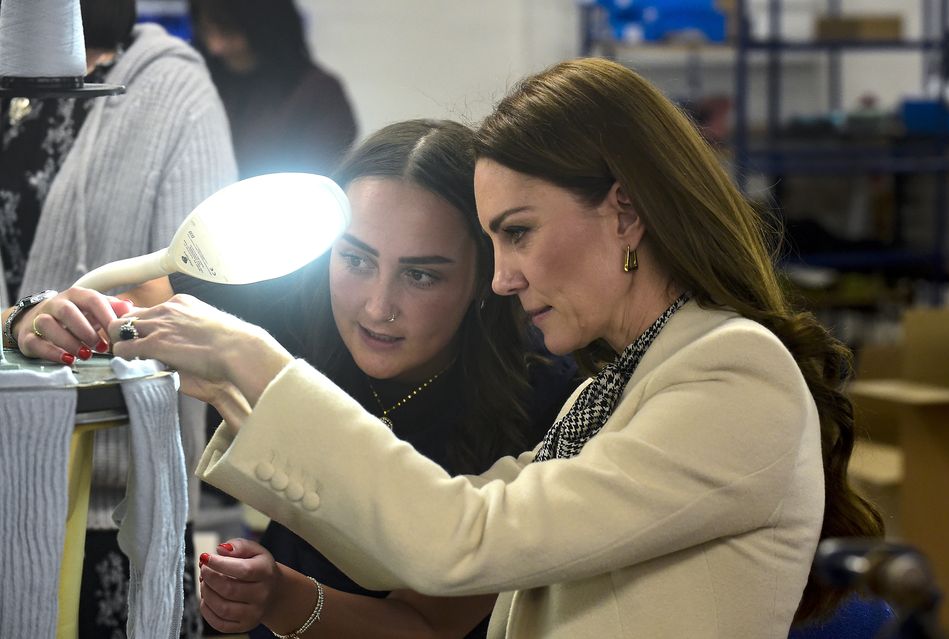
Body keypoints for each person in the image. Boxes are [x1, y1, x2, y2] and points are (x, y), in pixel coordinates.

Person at [22, 58, 885, 637]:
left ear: (625, 211)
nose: (505, 278)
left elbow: (456, 539)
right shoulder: (619, 387)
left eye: (517, 233)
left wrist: (255, 364)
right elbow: (427, 539)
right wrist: (238, 389)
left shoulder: (731, 375)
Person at [166, 119, 578, 637]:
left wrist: (279, 595)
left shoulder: (546, 400)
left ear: (484, 276)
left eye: (420, 274)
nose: (378, 307)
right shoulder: (299, 305)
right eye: (356, 259)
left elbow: (424, 626)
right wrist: (36, 314)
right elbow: (138, 298)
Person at [0, 1, 236, 636]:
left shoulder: (172, 91)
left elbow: (203, 293)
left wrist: (117, 312)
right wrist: (17, 321)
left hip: (118, 490)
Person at [189, 0, 357, 180]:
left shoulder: (321, 95)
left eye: (229, 32)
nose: (216, 47)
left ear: (264, 25)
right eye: (207, 31)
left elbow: (315, 185)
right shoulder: (204, 86)